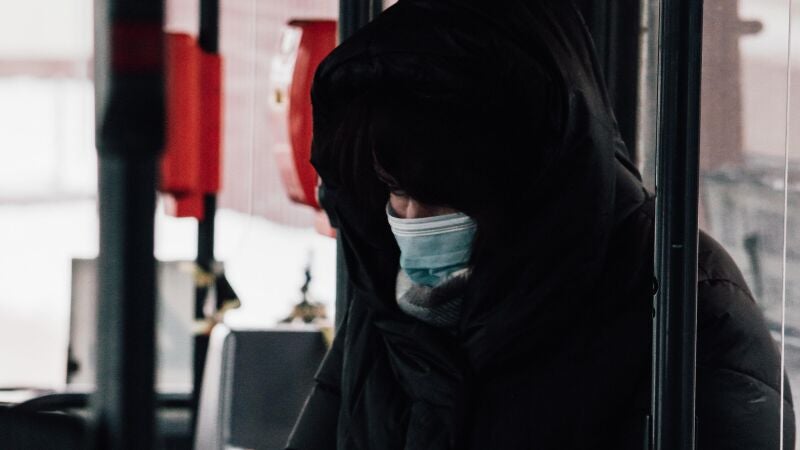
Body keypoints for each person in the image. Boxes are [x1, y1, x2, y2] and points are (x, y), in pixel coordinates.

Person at [286, 0, 795, 449]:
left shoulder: (681, 302)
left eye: (445, 198)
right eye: (397, 192)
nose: (413, 222)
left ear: (527, 178)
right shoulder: (390, 300)